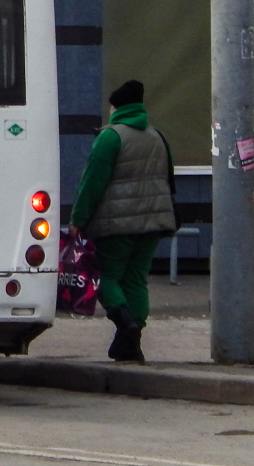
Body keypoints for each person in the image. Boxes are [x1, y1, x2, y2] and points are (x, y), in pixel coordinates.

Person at [68, 79, 176, 363]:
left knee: (103, 276)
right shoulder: (158, 136)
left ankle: (124, 324)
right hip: (153, 222)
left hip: (117, 225)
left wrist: (78, 218)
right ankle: (131, 341)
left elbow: (92, 182)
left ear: (116, 107)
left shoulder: (110, 137)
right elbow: (168, 179)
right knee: (136, 281)